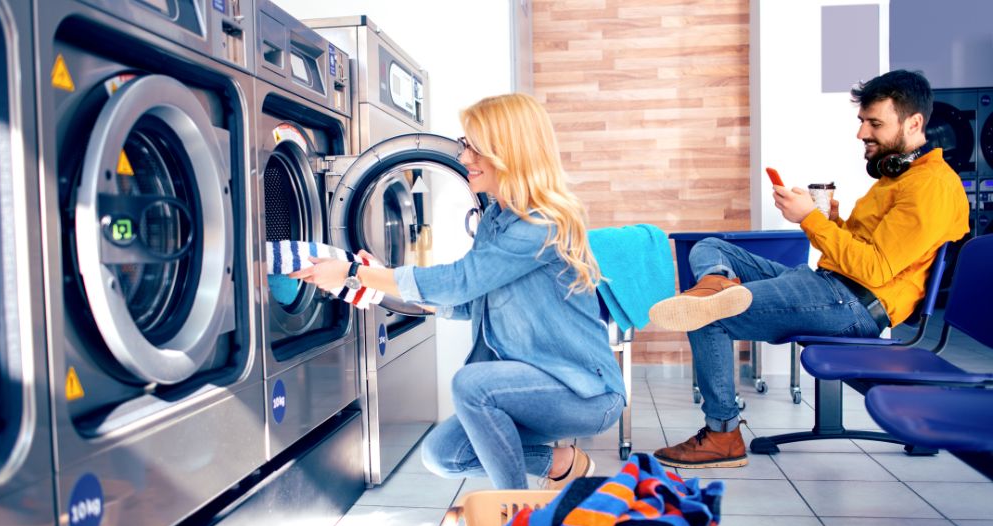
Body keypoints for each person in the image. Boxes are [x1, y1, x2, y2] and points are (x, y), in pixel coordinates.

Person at [291, 93, 626, 489]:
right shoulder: (496, 220)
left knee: (472, 384)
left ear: (510, 153)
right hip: (531, 385)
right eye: (465, 145)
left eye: (475, 149)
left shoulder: (540, 225)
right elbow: (470, 301)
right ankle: (560, 462)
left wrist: (353, 273)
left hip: (584, 392)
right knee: (443, 455)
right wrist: (381, 284)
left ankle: (512, 515)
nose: (465, 158)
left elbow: (459, 281)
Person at [646, 69, 970, 468]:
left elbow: (873, 269)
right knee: (711, 247)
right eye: (861, 122)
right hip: (827, 286)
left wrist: (808, 221)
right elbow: (857, 251)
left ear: (914, 123)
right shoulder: (896, 177)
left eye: (875, 123)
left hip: (854, 304)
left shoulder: (931, 186)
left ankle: (722, 435)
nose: (862, 134)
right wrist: (829, 220)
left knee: (709, 316)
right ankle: (715, 285)